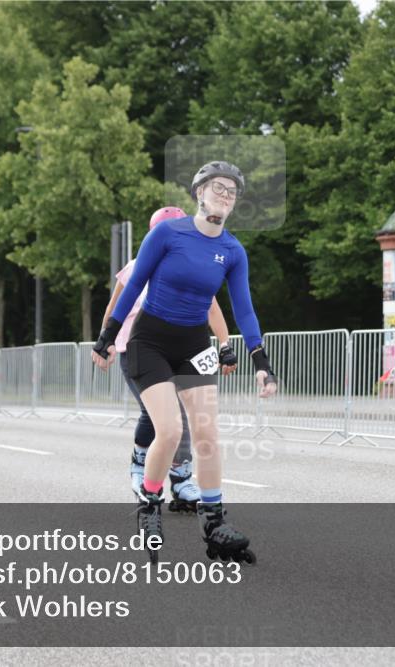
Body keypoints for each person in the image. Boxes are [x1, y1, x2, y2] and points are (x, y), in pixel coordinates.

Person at [92, 161, 278, 564]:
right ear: (199, 193)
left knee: (208, 433)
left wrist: (258, 358)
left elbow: (242, 310)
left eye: (231, 191)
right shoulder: (167, 233)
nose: (224, 195)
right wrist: (108, 336)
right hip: (151, 339)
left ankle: (214, 523)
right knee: (172, 430)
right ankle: (150, 504)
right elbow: (134, 283)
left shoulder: (232, 250)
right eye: (217, 187)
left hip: (195, 343)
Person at [99, 206, 237, 513]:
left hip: (182, 349)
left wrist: (225, 344)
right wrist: (105, 340)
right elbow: (114, 305)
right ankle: (147, 466)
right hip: (134, 348)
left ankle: (178, 477)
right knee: (163, 418)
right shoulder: (136, 266)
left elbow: (212, 309)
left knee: (186, 419)